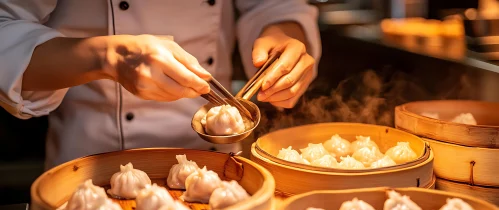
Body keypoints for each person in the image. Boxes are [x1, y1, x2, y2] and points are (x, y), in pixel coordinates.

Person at [0, 0, 321, 169]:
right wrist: (108, 57)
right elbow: (5, 30)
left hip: (222, 163)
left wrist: (284, 35)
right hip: (90, 165)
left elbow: (274, 5)